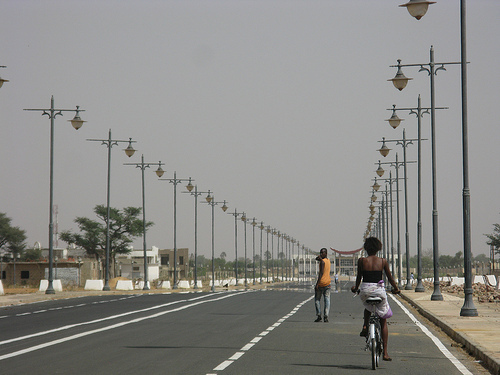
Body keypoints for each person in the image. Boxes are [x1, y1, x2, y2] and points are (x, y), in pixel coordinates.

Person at [351, 237, 400, 361]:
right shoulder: (382, 261)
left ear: (366, 248)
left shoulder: (362, 261)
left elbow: (359, 277)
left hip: (365, 291)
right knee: (383, 320)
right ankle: (385, 353)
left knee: (367, 306)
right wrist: (396, 289)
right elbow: (390, 278)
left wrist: (355, 287)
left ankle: (365, 326)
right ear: (378, 248)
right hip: (379, 291)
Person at [314, 248, 331, 322]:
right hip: (328, 283)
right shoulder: (328, 261)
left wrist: (317, 284)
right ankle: (326, 316)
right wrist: (320, 259)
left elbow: (321, 273)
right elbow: (317, 258)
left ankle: (319, 315)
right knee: (327, 300)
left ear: (326, 253)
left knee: (317, 300)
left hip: (321, 283)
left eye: (322, 253)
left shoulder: (322, 262)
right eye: (320, 253)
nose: (321, 254)